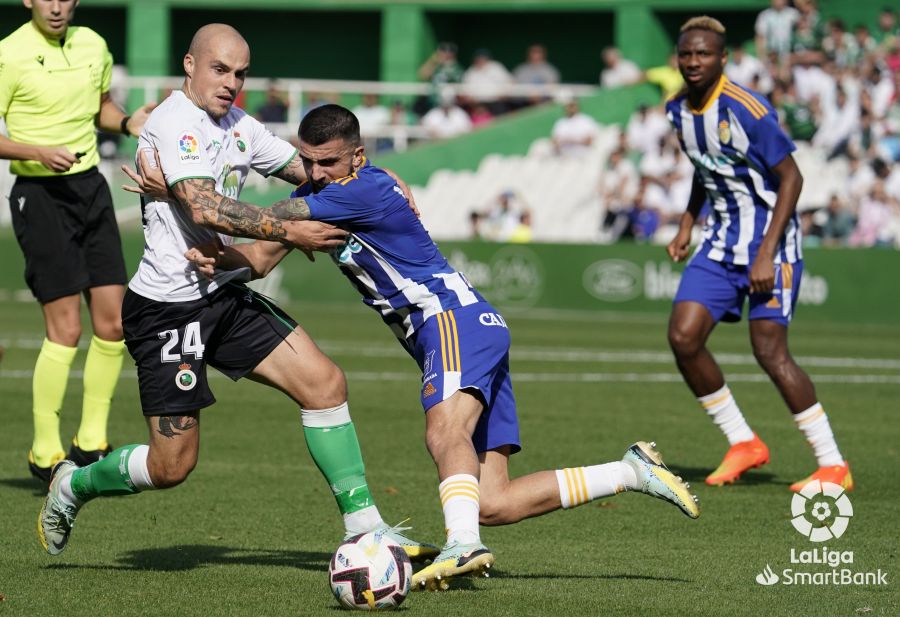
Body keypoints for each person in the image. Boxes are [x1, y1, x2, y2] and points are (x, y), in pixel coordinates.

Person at [184, 104, 700, 591]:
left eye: (329, 162)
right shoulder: (341, 192)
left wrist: (183, 194)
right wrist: (219, 261)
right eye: (310, 162)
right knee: (491, 500)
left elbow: (271, 214)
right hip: (475, 327)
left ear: (357, 157)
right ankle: (630, 470)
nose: (317, 173)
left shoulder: (361, 189)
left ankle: (462, 546)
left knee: (444, 430)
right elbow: (263, 254)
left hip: (450, 322)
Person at [37, 24, 435, 564]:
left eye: (240, 73)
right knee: (171, 467)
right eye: (220, 69)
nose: (231, 83)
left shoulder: (240, 125)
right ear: (190, 65)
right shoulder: (175, 123)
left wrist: (376, 176)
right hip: (166, 311)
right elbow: (204, 208)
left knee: (324, 382)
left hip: (220, 293)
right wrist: (289, 230)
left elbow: (313, 171)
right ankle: (74, 485)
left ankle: (366, 530)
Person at [665, 16, 853, 492]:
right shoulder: (676, 111)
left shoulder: (747, 108)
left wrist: (766, 254)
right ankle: (743, 442)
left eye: (703, 53)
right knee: (684, 338)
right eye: (686, 53)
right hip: (720, 243)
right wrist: (688, 221)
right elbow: (703, 166)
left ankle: (833, 465)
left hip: (771, 244)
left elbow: (792, 177)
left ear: (722, 59)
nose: (693, 62)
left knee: (770, 351)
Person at [0, 0, 156, 484]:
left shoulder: (93, 44)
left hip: (91, 190)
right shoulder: (9, 53)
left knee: (112, 323)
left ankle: (91, 442)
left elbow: (102, 107)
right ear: (28, 0)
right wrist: (36, 151)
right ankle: (44, 450)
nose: (56, 6)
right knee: (65, 329)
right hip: (39, 194)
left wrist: (129, 122)